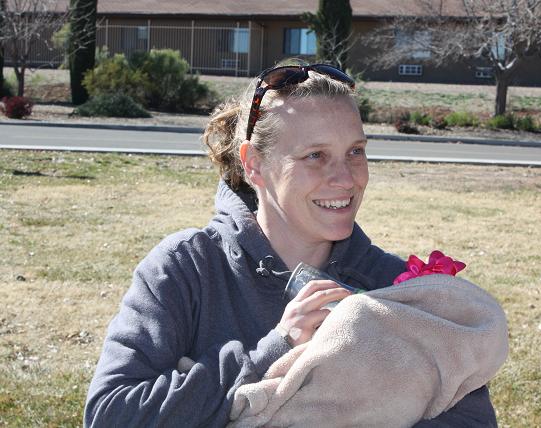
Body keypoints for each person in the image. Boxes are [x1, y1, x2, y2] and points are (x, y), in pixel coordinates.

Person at [84, 62, 499, 427]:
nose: (345, 178)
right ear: (254, 165)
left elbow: (469, 419)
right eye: (315, 156)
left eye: (355, 152)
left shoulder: (392, 286)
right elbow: (111, 414)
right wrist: (274, 348)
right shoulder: (186, 268)